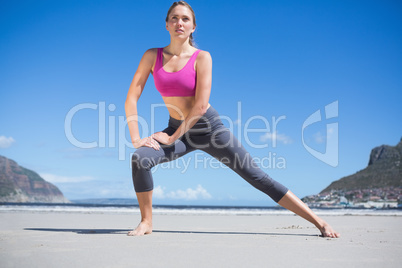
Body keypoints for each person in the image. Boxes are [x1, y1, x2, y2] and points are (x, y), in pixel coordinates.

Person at [125, 1, 340, 238]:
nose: (179, 23)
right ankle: (146, 222)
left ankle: (319, 222)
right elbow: (132, 97)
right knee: (140, 159)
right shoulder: (152, 56)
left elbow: (200, 105)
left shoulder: (202, 58)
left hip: (208, 128)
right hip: (176, 129)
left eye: (185, 19)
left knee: (258, 178)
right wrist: (137, 138)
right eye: (174, 18)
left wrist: (172, 136)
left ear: (193, 27)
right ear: (166, 24)